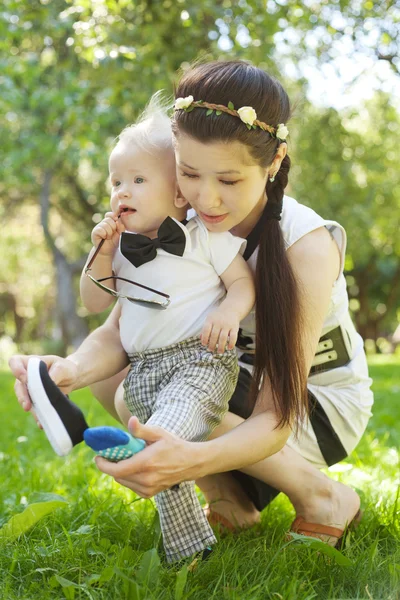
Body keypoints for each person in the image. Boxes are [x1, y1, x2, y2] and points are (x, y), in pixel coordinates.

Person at [10, 59, 373, 549]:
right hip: (225, 378)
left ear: (273, 162)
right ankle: (231, 503)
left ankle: (324, 498)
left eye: (229, 180)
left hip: (310, 404)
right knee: (128, 378)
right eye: (189, 173)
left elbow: (275, 417)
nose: (205, 198)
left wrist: (186, 459)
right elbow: (120, 332)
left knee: (170, 390)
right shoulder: (178, 223)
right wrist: (68, 372)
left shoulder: (303, 244)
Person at [29, 100, 256, 563]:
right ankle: (188, 548)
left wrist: (229, 315)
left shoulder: (203, 238)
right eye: (115, 182)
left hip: (200, 362)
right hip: (145, 375)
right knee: (160, 451)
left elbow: (242, 285)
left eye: (136, 180)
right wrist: (104, 252)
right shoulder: (120, 251)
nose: (120, 192)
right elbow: (95, 303)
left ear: (177, 194)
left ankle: (138, 450)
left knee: (161, 441)